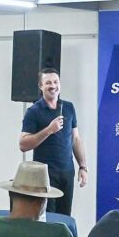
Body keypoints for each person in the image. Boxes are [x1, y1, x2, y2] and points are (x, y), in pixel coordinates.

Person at [18, 68, 87, 216]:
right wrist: (49, 130)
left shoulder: (68, 107)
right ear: (41, 86)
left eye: (56, 82)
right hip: (44, 175)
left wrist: (83, 167)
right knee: (48, 219)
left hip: (67, 172)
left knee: (64, 217)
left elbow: (75, 138)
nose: (53, 86)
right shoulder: (34, 111)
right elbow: (23, 145)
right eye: (48, 82)